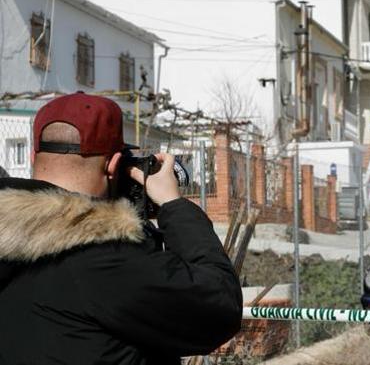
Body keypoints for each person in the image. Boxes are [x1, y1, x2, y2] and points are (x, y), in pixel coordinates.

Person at [0, 92, 242, 364]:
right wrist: (174, 205)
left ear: (34, 155)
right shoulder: (103, 258)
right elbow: (220, 308)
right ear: (114, 165)